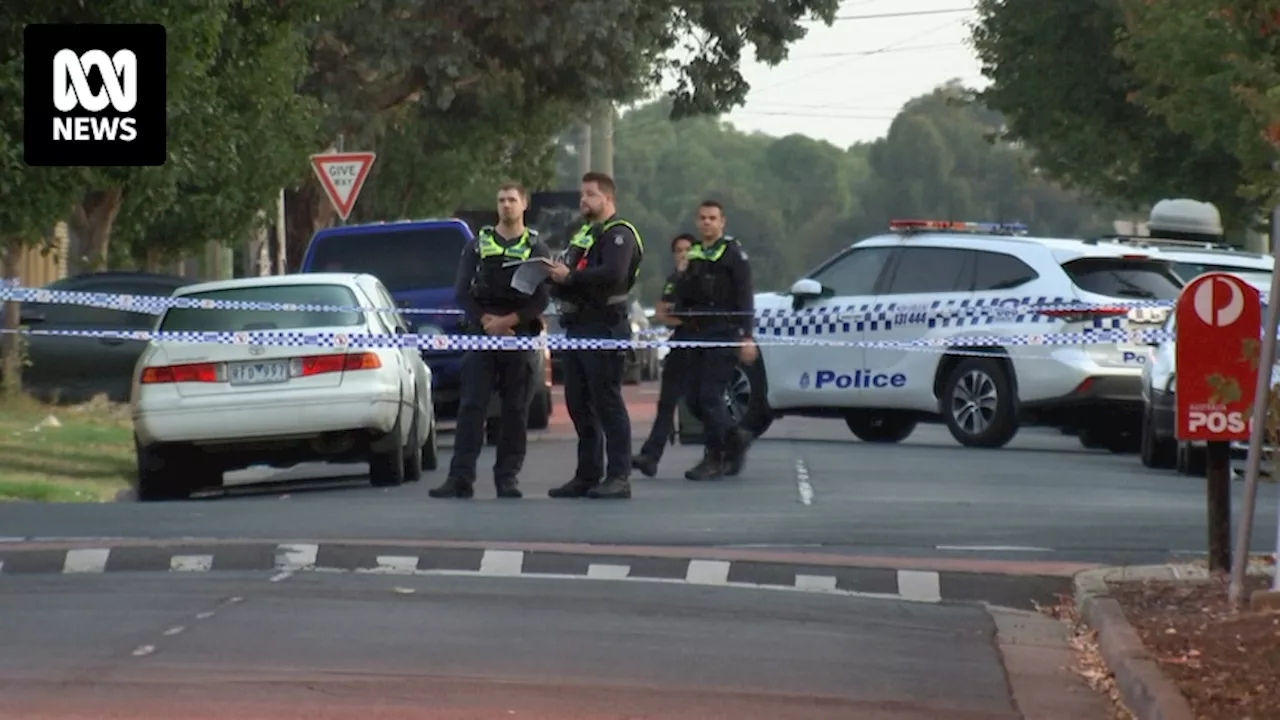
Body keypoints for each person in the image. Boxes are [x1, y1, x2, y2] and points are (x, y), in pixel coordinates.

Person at [429, 182, 550, 500]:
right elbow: (461, 291)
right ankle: (460, 478)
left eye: (512, 200)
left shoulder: (536, 246)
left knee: (515, 410)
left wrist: (508, 323)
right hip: (482, 333)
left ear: (524, 204)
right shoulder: (478, 244)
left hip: (518, 335)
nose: (506, 205)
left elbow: (541, 299)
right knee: (471, 407)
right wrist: (487, 323)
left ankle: (507, 478)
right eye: (501, 200)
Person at [544, 172, 645, 500]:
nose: (583, 201)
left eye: (590, 194)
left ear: (607, 198)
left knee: (607, 401)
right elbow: (571, 273)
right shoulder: (584, 233)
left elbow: (613, 276)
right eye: (582, 195)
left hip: (604, 326)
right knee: (577, 402)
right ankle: (587, 474)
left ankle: (619, 476)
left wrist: (570, 276)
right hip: (576, 326)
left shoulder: (620, 234)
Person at [673, 200, 757, 481]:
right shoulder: (694, 254)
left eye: (712, 218)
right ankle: (736, 437)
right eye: (702, 218)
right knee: (694, 399)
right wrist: (682, 273)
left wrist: (747, 336)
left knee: (710, 395)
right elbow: (681, 297)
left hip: (724, 333)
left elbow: (745, 296)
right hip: (697, 333)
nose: (707, 223)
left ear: (722, 223)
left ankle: (715, 456)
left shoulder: (733, 254)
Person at [631, 233, 695, 477]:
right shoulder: (673, 279)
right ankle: (651, 455)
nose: (683, 254)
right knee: (667, 401)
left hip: (703, 343)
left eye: (688, 249)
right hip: (681, 341)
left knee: (704, 402)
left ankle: (725, 448)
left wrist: (686, 317)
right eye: (679, 250)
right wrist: (683, 318)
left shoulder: (703, 276)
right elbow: (662, 313)